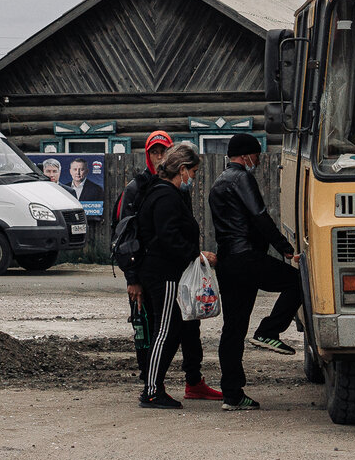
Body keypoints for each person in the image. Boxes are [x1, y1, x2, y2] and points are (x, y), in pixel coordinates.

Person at [114, 131, 222, 402]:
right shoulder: (165, 196)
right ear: (182, 170)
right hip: (163, 273)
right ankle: (151, 391)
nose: (194, 178)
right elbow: (168, 236)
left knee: (172, 331)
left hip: (163, 271)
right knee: (165, 331)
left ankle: (159, 387)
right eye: (193, 172)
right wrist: (197, 256)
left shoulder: (161, 192)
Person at [209, 133, 302, 411]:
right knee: (297, 282)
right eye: (257, 155)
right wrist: (285, 249)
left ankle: (233, 394)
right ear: (246, 154)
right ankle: (268, 331)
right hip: (247, 257)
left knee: (233, 329)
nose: (259, 160)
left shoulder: (218, 182)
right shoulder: (241, 178)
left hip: (227, 263)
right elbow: (260, 215)